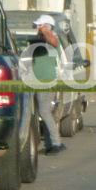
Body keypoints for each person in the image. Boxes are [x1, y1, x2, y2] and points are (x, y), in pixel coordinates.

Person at [32, 15, 67, 155]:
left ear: (46, 27)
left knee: (44, 112)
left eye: (38, 26)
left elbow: (53, 41)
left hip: (46, 82)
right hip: (35, 81)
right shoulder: (39, 42)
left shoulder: (52, 39)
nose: (36, 29)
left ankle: (55, 143)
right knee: (43, 112)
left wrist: (45, 30)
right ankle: (50, 143)